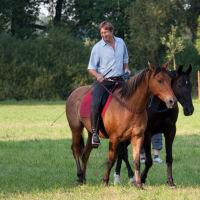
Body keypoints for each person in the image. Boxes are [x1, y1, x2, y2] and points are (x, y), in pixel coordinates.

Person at [88, 21, 131, 147]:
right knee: (95, 103)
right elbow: (91, 68)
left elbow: (125, 59)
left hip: (120, 81)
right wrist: (98, 76)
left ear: (111, 31)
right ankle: (95, 134)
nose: (104, 35)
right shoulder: (97, 47)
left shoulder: (121, 42)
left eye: (106, 32)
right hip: (104, 83)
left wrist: (126, 70)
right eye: (102, 33)